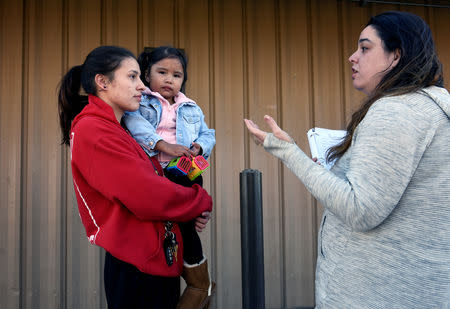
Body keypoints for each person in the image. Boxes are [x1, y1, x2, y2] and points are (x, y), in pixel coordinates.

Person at [245, 11, 450, 308]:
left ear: (396, 56)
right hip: (419, 288)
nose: (353, 57)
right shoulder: (435, 109)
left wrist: (286, 150)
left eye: (365, 48)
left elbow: (361, 210)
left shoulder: (396, 111)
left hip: (373, 293)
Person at [57, 45, 213, 309]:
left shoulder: (120, 130)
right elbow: (148, 195)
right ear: (102, 82)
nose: (142, 86)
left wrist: (188, 208)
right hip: (138, 266)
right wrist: (200, 200)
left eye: (140, 77)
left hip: (156, 259)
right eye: (132, 77)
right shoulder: (93, 129)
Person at [122, 46, 216, 309]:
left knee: (190, 208)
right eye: (161, 72)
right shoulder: (141, 103)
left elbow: (209, 134)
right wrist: (163, 145)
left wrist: (199, 146)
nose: (169, 79)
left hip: (185, 170)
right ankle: (196, 269)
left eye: (177, 75)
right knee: (179, 218)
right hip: (157, 170)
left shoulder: (191, 107)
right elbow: (136, 126)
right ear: (146, 75)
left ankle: (196, 269)